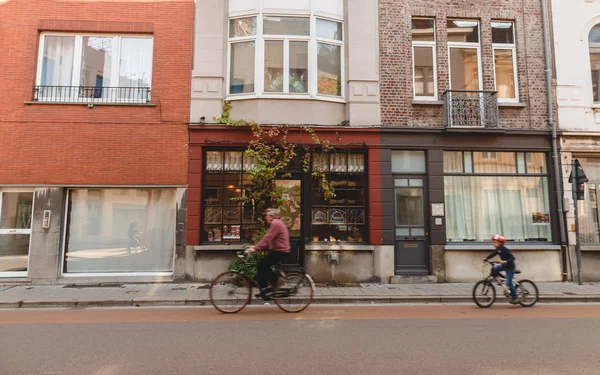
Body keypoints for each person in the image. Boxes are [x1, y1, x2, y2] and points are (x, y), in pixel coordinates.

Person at [247, 208, 291, 301]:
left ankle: (276, 281)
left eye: (267, 216)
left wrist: (255, 248)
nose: (266, 218)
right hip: (277, 250)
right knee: (261, 267)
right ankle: (264, 290)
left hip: (280, 251)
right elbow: (270, 239)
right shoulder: (276, 223)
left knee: (262, 266)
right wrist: (258, 247)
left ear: (272, 216)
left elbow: (267, 238)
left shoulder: (276, 223)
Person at [482, 234, 519, 305]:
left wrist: (505, 261)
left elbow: (512, 258)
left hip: (510, 267)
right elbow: (493, 254)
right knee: (494, 267)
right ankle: (499, 278)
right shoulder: (498, 249)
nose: (494, 243)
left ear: (501, 243)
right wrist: (486, 258)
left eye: (495, 242)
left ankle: (516, 297)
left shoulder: (505, 250)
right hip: (504, 265)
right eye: (493, 242)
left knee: (509, 283)